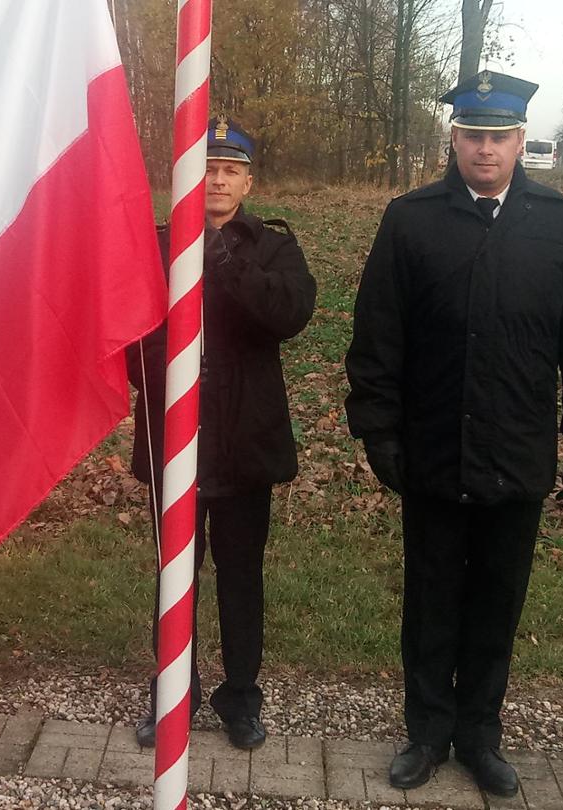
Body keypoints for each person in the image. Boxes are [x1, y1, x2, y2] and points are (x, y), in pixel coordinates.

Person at [343, 71, 563, 798]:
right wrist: (378, 430)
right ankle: (428, 732)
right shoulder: (411, 220)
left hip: (517, 453)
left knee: (497, 601)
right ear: (454, 140)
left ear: (522, 141)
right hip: (430, 449)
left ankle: (480, 734)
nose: (486, 150)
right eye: (473, 136)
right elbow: (377, 336)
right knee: (432, 599)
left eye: (499, 137)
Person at [128, 116, 317, 752]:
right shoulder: (156, 243)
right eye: (207, 167)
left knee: (241, 576)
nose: (216, 179)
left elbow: (290, 315)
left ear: (248, 181)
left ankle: (241, 698)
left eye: (230, 170)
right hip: (174, 440)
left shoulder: (271, 246)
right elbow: (131, 335)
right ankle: (170, 693)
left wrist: (226, 262)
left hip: (244, 442)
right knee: (174, 574)